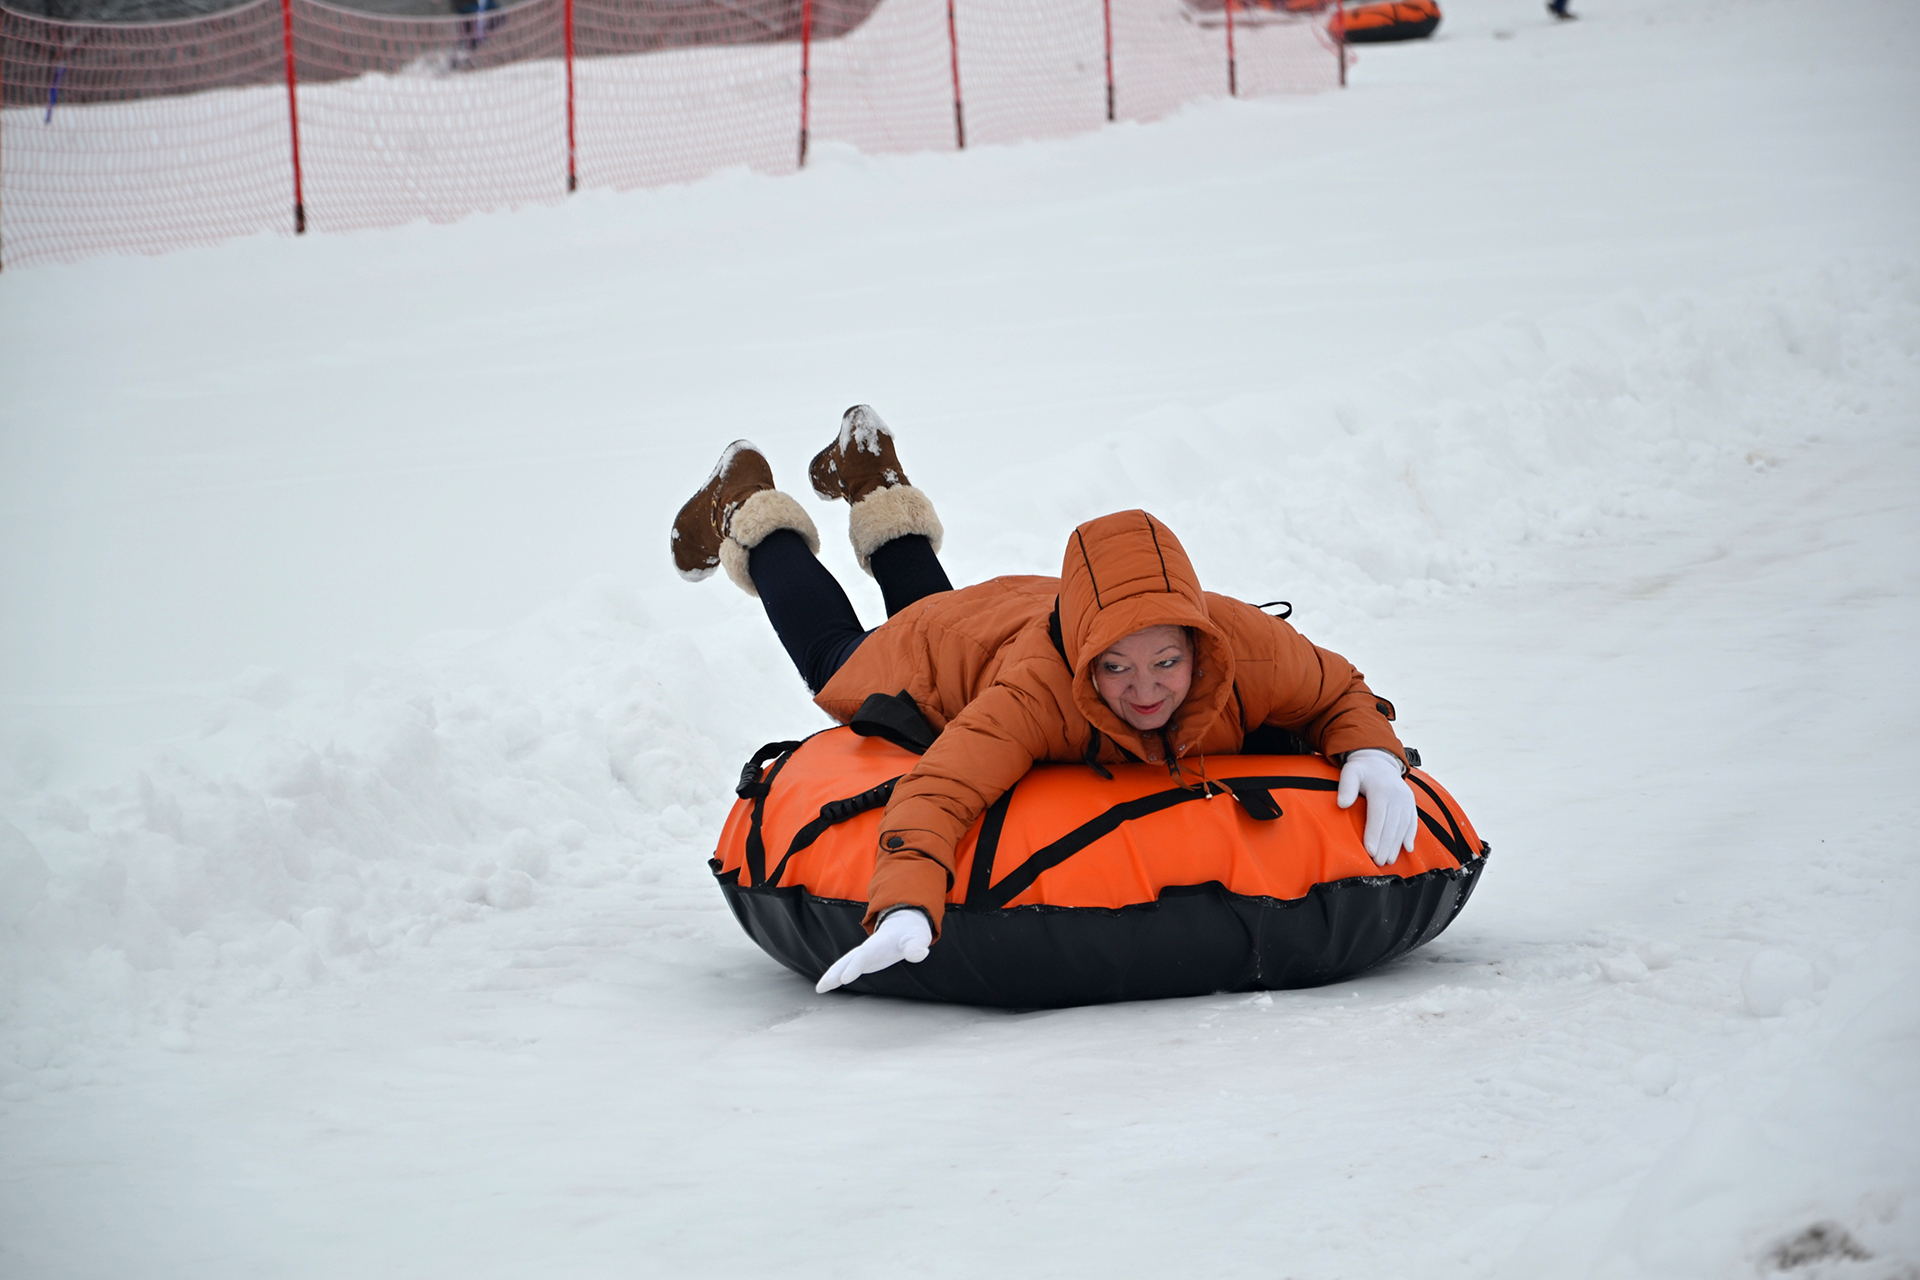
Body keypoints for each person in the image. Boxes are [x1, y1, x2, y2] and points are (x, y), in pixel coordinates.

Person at [671, 406, 1419, 994]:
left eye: (1166, 661)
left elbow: (1339, 690)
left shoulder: (1246, 647)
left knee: (947, 625)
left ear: (1199, 641)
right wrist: (903, 900)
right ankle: (749, 508)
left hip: (1000, 622)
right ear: (1086, 660)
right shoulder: (1037, 695)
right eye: (1116, 669)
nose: (1147, 688)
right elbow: (939, 789)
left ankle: (871, 475)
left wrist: (1371, 750)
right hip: (945, 650)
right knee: (836, 657)